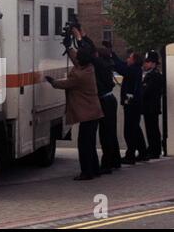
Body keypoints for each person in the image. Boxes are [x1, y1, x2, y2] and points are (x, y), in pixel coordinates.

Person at [46, 45, 104, 181]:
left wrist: (52, 81)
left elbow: (65, 84)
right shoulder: (88, 67)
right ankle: (95, 169)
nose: (76, 58)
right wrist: (69, 47)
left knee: (84, 145)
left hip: (88, 114)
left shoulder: (80, 75)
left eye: (78, 56)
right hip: (93, 113)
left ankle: (86, 172)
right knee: (90, 144)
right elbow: (77, 60)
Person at [73, 31, 121, 173]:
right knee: (110, 133)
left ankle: (107, 164)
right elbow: (92, 51)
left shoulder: (99, 65)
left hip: (103, 101)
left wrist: (80, 39)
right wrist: (84, 37)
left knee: (105, 135)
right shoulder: (105, 64)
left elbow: (89, 55)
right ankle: (114, 160)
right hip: (109, 100)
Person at [110, 49, 148, 164]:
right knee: (135, 128)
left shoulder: (133, 70)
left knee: (130, 130)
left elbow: (121, 68)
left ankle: (130, 155)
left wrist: (112, 58)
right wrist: (113, 54)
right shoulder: (134, 70)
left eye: (129, 58)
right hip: (134, 104)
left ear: (134, 60)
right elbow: (122, 65)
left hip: (132, 104)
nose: (127, 59)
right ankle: (142, 152)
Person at [142, 50, 164, 159]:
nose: (146, 64)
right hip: (148, 107)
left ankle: (155, 150)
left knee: (152, 129)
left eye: (148, 62)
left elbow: (147, 91)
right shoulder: (150, 75)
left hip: (152, 107)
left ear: (154, 63)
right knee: (150, 128)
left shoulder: (154, 75)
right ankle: (152, 148)